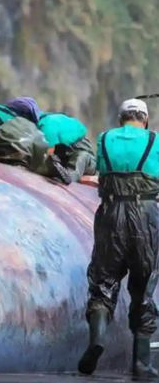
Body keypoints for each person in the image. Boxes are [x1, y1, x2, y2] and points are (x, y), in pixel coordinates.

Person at [77, 98, 159, 378]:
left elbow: (101, 170)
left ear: (120, 118)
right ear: (145, 120)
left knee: (103, 282)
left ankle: (96, 339)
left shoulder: (104, 138)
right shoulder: (154, 140)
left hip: (111, 214)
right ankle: (141, 363)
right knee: (144, 285)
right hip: (145, 216)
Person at [6, 97, 96, 185]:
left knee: (79, 160)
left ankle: (68, 176)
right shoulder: (39, 126)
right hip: (61, 159)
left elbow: (48, 152)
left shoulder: (47, 125)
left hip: (85, 160)